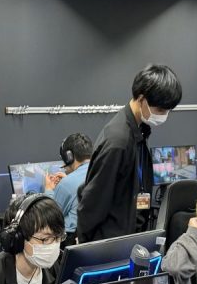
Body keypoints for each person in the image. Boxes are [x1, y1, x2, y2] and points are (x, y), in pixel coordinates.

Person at [76, 64, 182, 242]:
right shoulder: (118, 141)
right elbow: (93, 202)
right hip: (109, 242)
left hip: (128, 234)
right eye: (160, 110)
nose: (164, 115)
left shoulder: (139, 130)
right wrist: (85, 245)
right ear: (141, 99)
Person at [52, 132, 94, 242]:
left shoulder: (66, 184)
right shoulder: (102, 172)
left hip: (72, 242)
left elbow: (50, 217)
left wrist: (49, 189)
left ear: (68, 157)